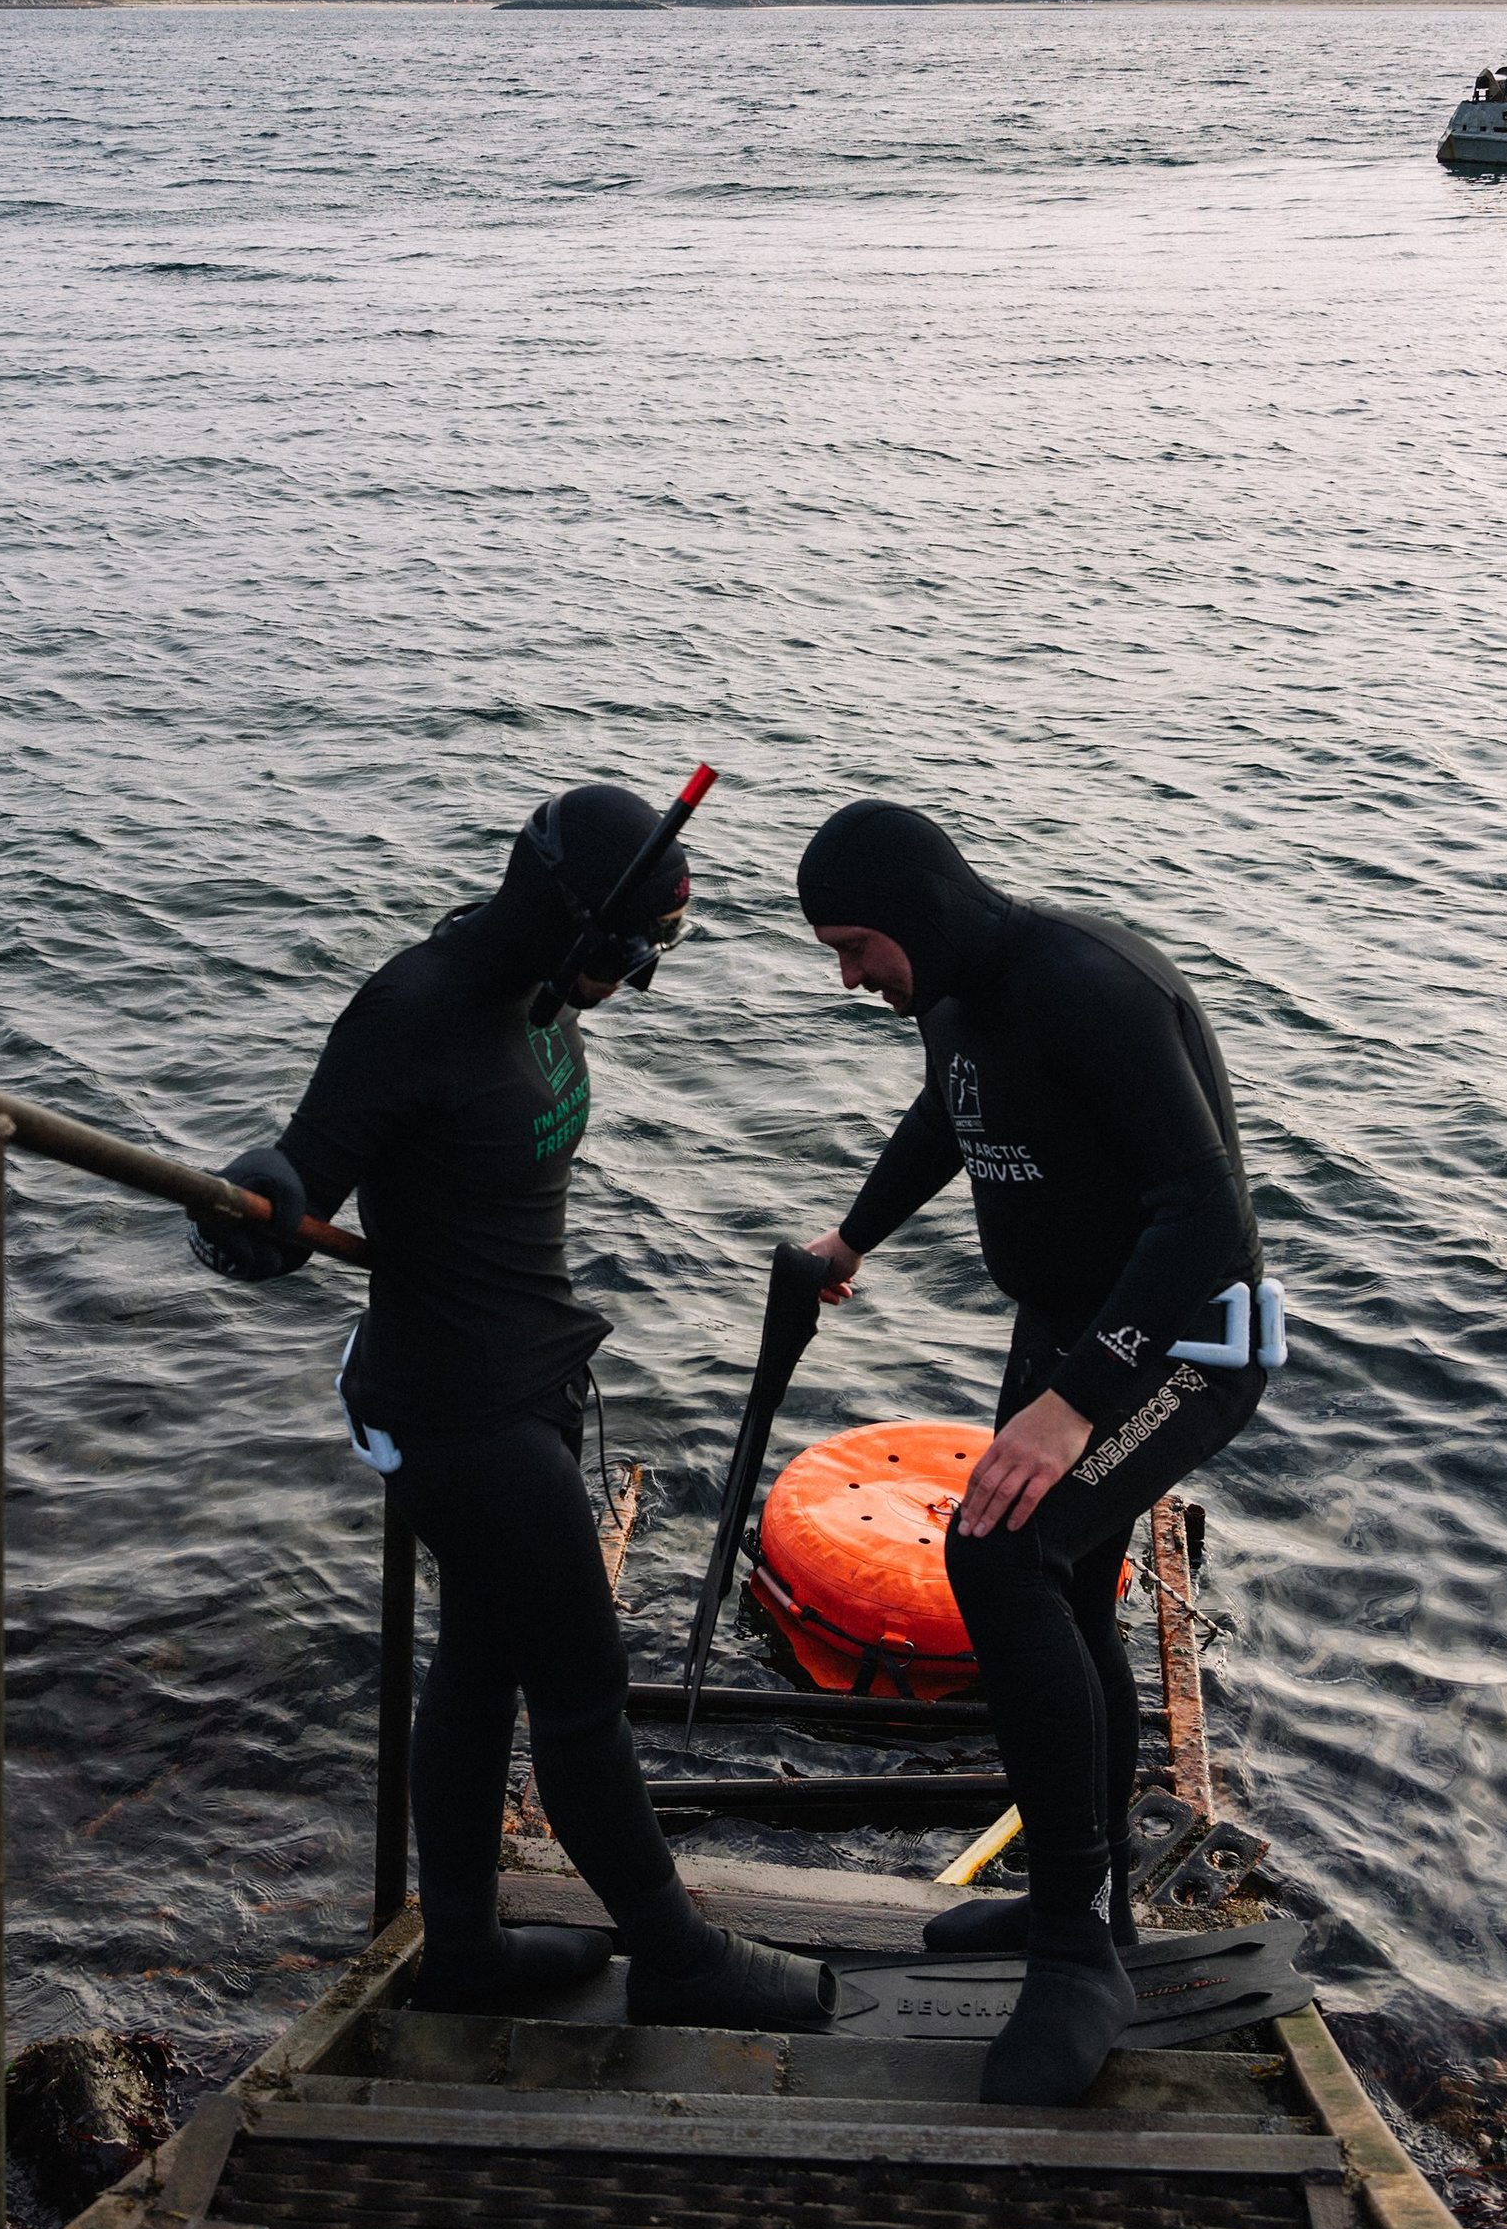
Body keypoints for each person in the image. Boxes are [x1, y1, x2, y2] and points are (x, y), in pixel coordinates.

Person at [194, 783, 834, 2034]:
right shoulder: (413, 1009)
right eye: (624, 950)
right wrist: (248, 1210)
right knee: (582, 1689)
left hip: (526, 1382)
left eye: (656, 950)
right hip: (451, 1412)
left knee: (483, 1664)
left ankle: (467, 1950)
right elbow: (294, 1186)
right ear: (560, 916)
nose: (634, 978)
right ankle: (677, 1958)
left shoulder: (536, 990)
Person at [793, 799, 1266, 2103]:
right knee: (1057, 1586)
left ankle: (1073, 1955)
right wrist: (850, 1239)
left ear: (916, 915)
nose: (850, 978)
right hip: (1070, 1335)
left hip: (1185, 1340)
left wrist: (1073, 1405)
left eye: (855, 948)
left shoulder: (1091, 986)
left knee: (1000, 1558)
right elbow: (944, 1122)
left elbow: (1206, 1215)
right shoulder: (954, 999)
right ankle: (1088, 1907)